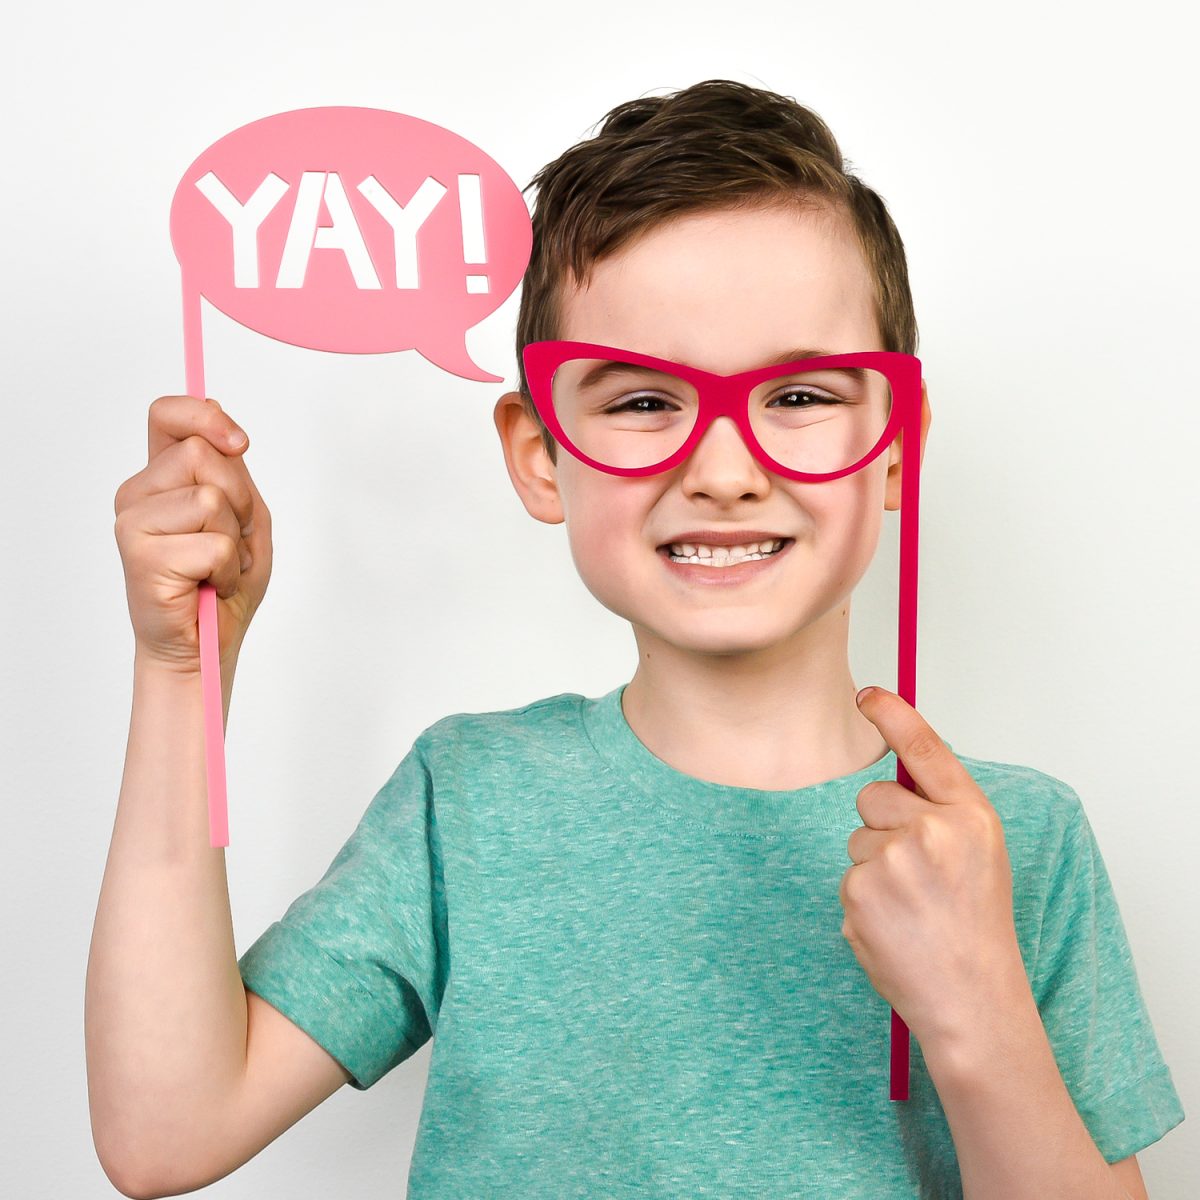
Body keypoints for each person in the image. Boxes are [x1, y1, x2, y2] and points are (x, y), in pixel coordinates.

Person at [88, 79, 1184, 1198]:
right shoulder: (470, 798)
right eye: (644, 402)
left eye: (800, 395)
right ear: (538, 453)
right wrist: (185, 664)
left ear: (896, 442)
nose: (723, 468)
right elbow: (165, 1132)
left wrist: (975, 1006)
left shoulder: (1011, 844)